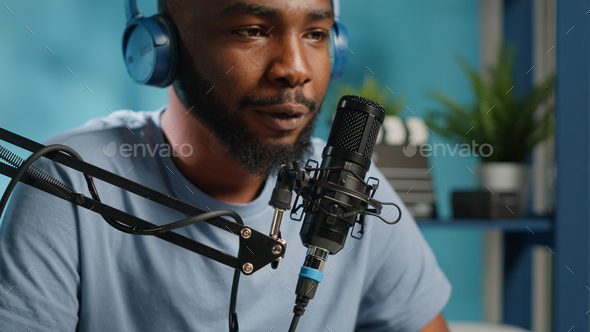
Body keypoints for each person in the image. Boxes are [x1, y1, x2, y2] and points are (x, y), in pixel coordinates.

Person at [0, 0, 452, 331]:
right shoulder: (67, 178)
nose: (295, 69)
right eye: (252, 30)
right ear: (163, 49)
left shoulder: (349, 185)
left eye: (315, 34)